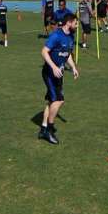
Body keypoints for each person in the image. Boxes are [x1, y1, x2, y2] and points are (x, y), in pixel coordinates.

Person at [38, 13, 80, 145]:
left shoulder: (71, 36)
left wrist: (73, 67)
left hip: (59, 73)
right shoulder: (56, 35)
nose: (77, 25)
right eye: (76, 23)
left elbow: (67, 54)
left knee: (52, 101)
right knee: (59, 100)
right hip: (50, 73)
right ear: (69, 22)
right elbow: (44, 51)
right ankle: (48, 131)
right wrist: (54, 67)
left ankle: (43, 128)